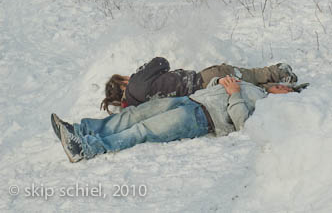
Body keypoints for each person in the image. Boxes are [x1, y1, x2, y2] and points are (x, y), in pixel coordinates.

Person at [51, 76, 302, 163]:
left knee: (143, 129)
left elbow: (242, 123)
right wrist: (220, 82)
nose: (281, 87)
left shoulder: (266, 105)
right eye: (284, 86)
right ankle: (82, 129)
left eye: (286, 90)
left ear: (287, 97)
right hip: (190, 100)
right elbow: (216, 87)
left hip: (200, 118)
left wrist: (234, 94)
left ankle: (87, 148)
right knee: (134, 114)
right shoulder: (257, 88)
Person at [100, 57, 298, 112]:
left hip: (205, 99)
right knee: (252, 75)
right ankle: (281, 71)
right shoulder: (136, 81)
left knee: (249, 90)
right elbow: (161, 62)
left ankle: (278, 90)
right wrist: (140, 71)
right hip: (203, 80)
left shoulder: (135, 106)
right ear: (123, 82)